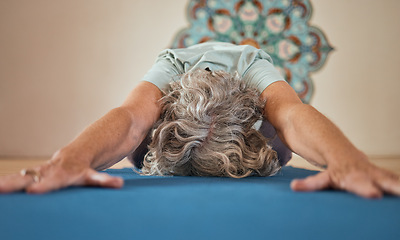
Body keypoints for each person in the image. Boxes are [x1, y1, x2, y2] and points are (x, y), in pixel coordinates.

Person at [0, 42, 399, 198]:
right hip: (175, 111)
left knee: (283, 144)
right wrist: (72, 159)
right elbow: (130, 119)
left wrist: (346, 159)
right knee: (135, 151)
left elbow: (292, 116)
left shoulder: (252, 64)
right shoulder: (170, 65)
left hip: (244, 105)